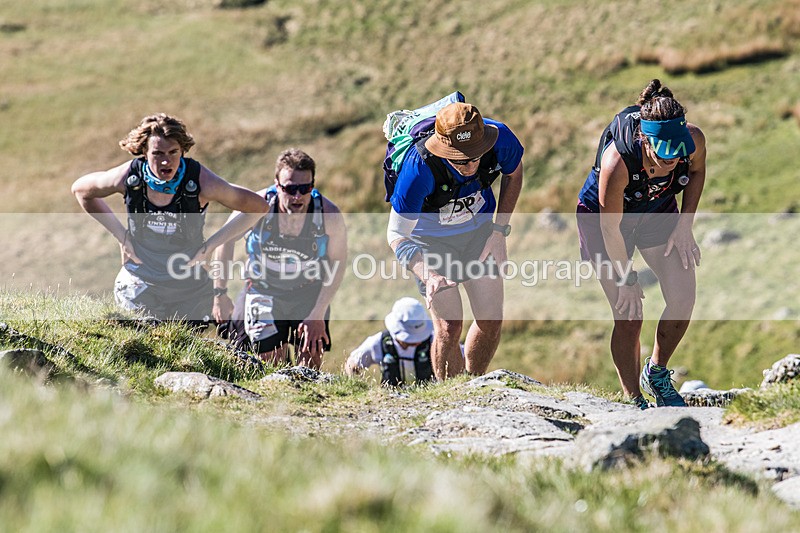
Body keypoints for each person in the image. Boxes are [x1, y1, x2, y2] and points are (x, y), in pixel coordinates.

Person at [576, 79, 707, 408]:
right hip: (603, 221)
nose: (671, 163)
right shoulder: (617, 163)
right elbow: (610, 230)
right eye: (663, 156)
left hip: (657, 211)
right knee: (629, 313)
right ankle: (634, 398)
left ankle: (657, 374)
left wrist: (684, 224)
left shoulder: (693, 140)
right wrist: (627, 278)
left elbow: (698, 171)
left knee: (683, 297)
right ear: (644, 140)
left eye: (677, 156)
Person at [72, 113, 267, 323]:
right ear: (144, 152)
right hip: (140, 281)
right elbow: (81, 190)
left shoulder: (202, 181)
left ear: (183, 150)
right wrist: (122, 237)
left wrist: (209, 247)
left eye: (173, 152)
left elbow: (258, 207)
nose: (166, 161)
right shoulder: (128, 177)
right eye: (157, 153)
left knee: (190, 350)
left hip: (189, 285)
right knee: (146, 345)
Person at [387, 102, 524, 380]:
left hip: (479, 234)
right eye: (459, 159)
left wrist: (499, 231)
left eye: (476, 155)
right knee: (449, 327)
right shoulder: (418, 168)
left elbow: (514, 173)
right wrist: (429, 274)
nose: (470, 165)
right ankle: (451, 394)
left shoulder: (501, 139)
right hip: (430, 244)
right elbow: (396, 234)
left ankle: (474, 386)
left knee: (490, 320)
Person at [212, 149, 347, 369]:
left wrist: (318, 312)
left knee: (310, 363)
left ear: (312, 185)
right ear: (277, 184)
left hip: (308, 292)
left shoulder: (328, 215)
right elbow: (225, 240)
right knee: (268, 365)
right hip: (262, 289)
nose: (297, 197)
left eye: (305, 189)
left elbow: (338, 263)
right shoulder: (256, 206)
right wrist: (220, 293)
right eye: (290, 188)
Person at [345, 297, 439, 386]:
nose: (418, 342)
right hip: (391, 398)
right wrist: (358, 385)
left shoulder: (434, 341)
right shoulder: (379, 342)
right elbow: (352, 364)